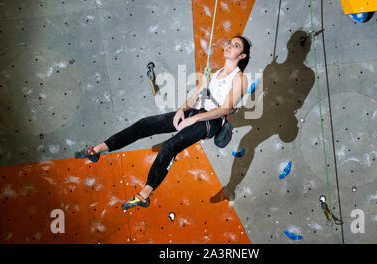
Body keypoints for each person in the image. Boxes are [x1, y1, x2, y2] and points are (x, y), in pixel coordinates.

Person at [75, 35, 251, 210]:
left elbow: (225, 109)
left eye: (235, 45)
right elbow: (195, 96)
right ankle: (98, 149)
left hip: (210, 120)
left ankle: (144, 194)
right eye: (229, 42)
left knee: (170, 146)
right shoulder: (214, 73)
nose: (229, 45)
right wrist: (182, 110)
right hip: (195, 112)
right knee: (145, 124)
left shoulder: (239, 79)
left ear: (242, 56)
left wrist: (193, 118)